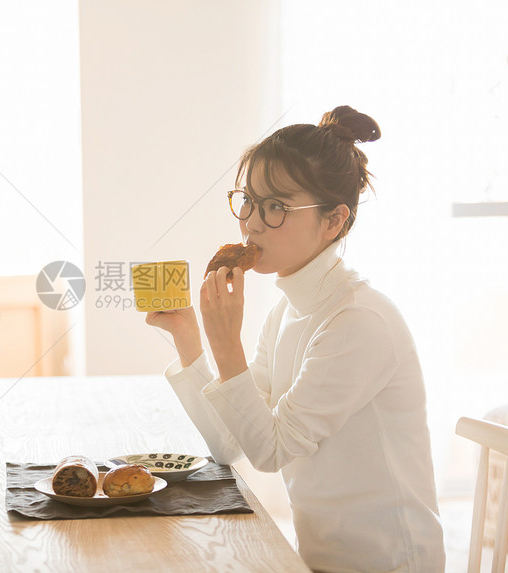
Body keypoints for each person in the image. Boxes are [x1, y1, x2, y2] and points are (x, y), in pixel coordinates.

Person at [146, 106, 445, 572]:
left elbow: (271, 451)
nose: (252, 223)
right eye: (248, 200)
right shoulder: (287, 311)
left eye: (276, 207)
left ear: (333, 221)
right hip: (318, 560)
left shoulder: (359, 322)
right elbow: (233, 444)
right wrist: (189, 338)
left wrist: (228, 346)